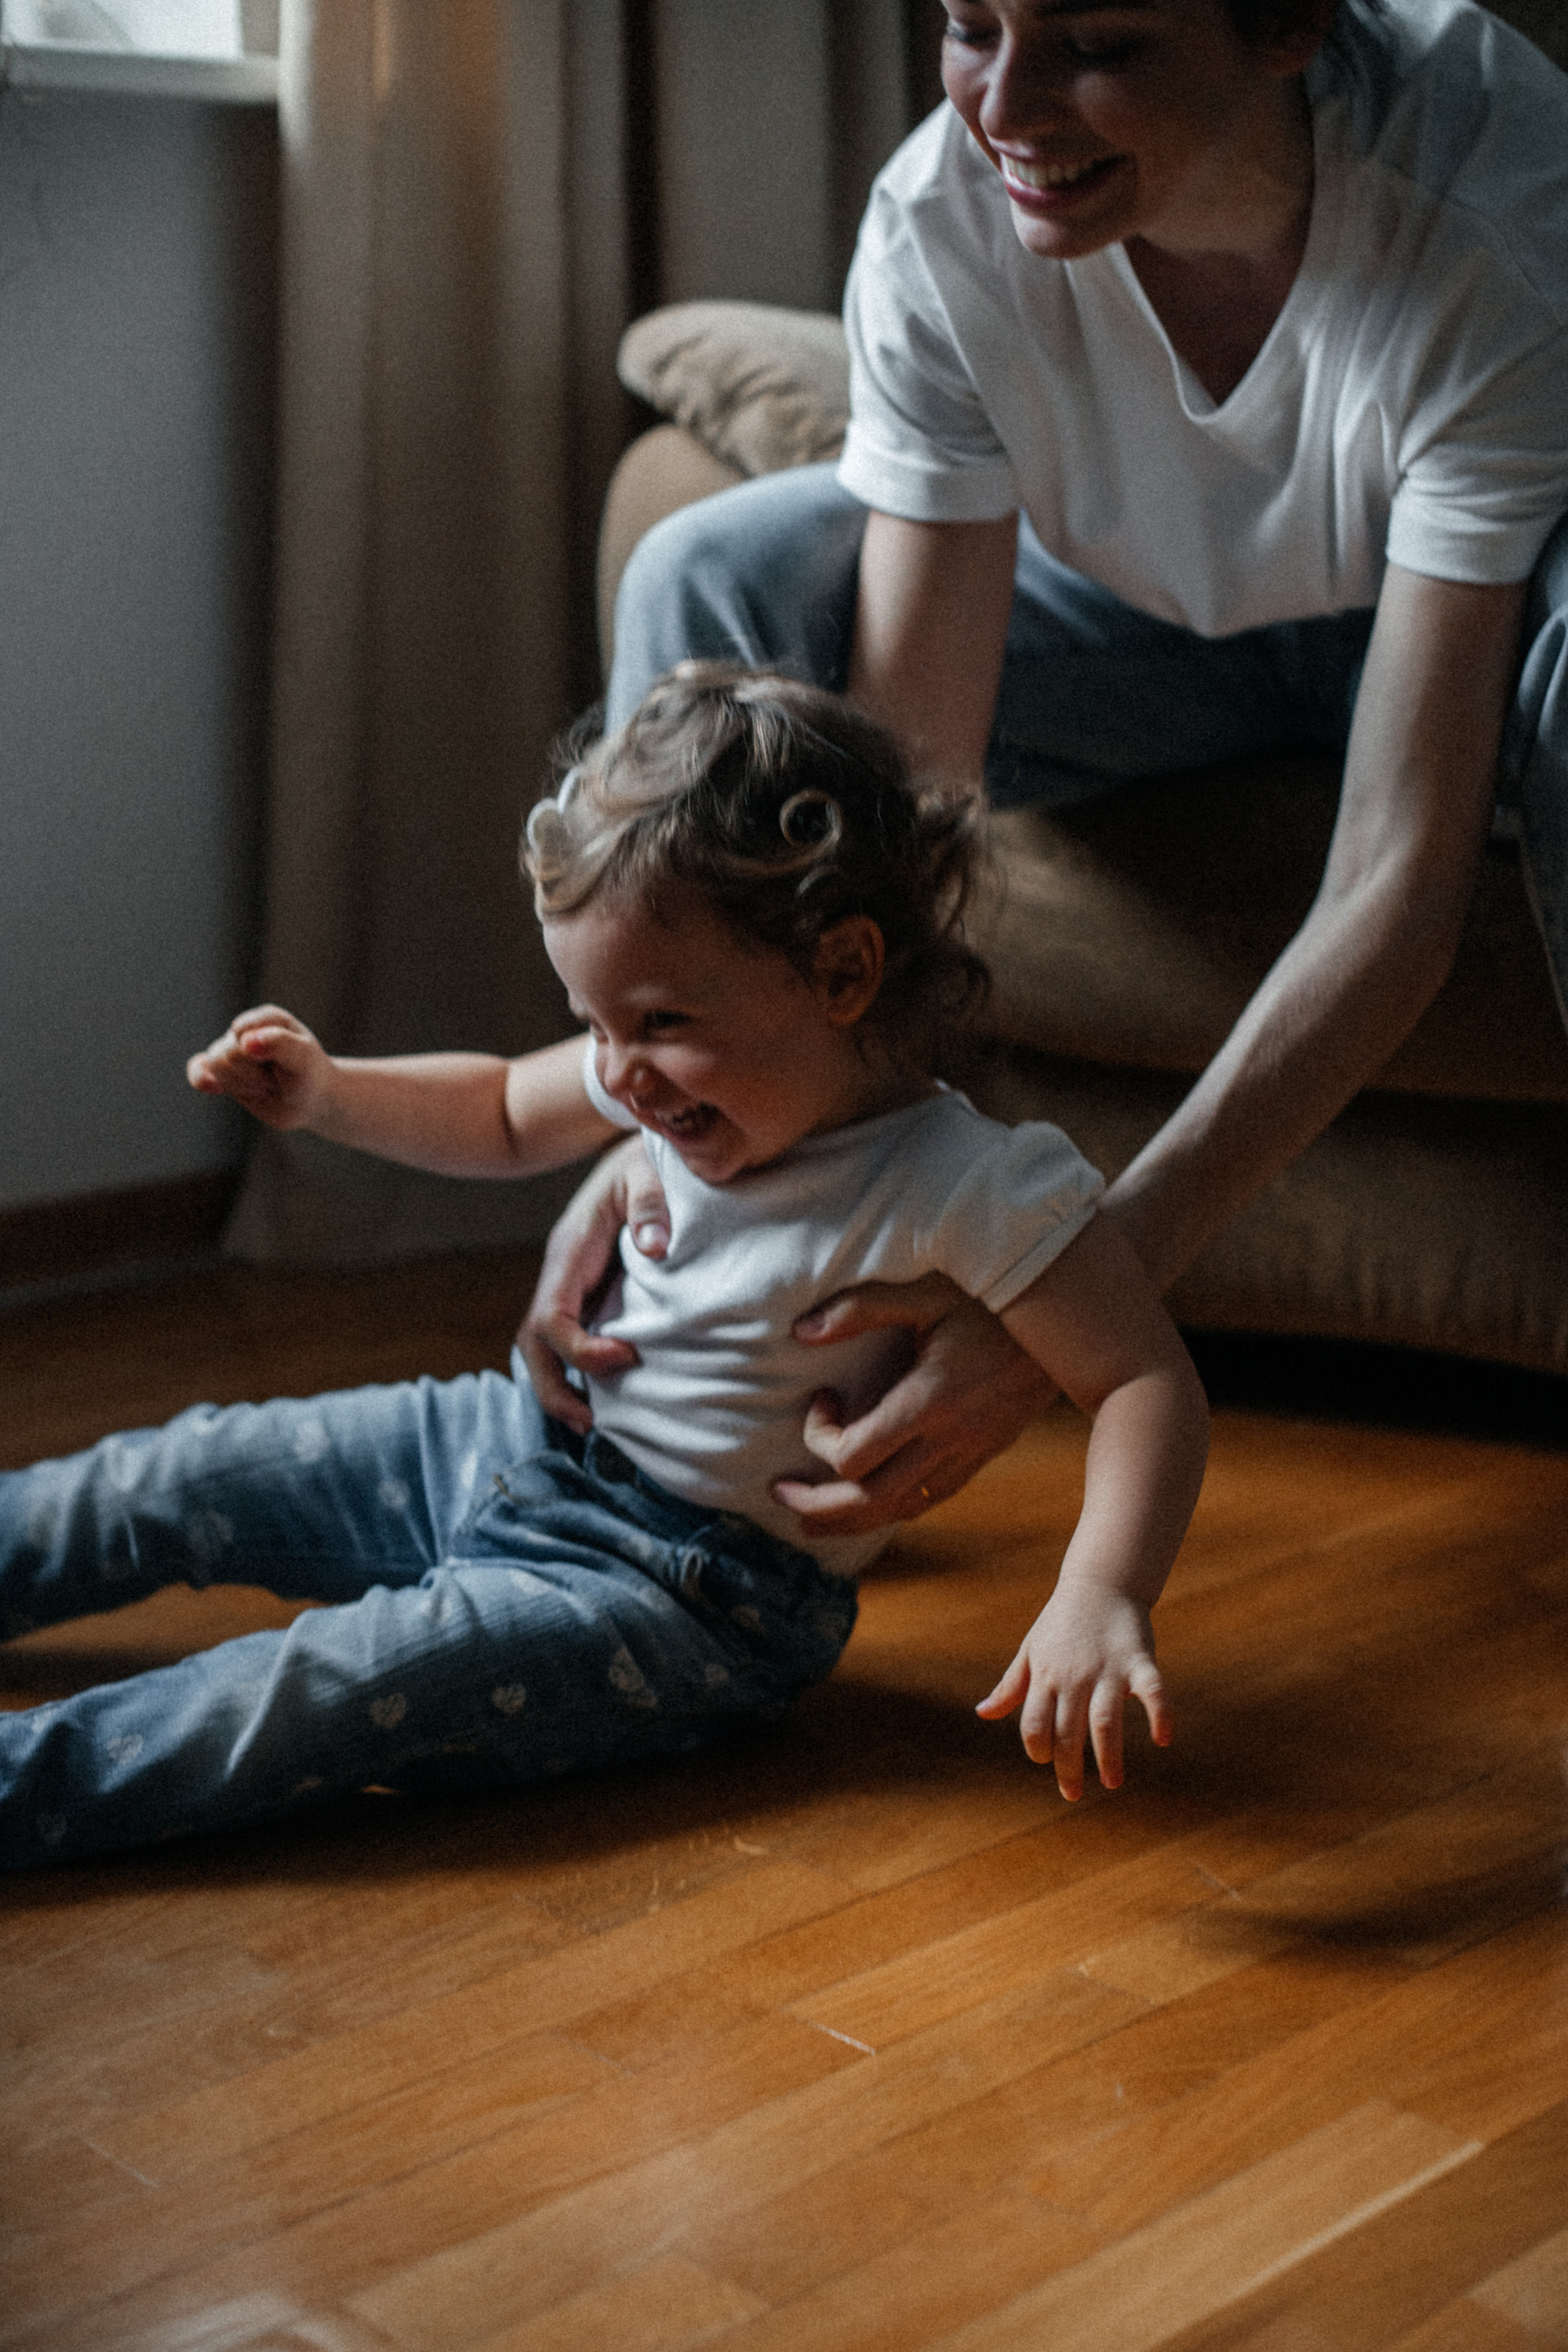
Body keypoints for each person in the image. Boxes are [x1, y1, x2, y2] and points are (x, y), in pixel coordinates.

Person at [526, 0, 1568, 1545]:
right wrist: (663, 1130)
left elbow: (1392, 877)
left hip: (1473, 631)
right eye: (966, 25)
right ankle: (729, 1290)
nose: (1003, 105)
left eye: (1096, 44)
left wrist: (1061, 1295)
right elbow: (897, 814)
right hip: (1135, 644)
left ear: (1278, 24)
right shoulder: (946, 220)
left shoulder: (1482, 216)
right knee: (709, 567)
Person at [0, 666, 1207, 1868]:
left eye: (659, 1026)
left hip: (678, 1602)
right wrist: (327, 1092)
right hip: (507, 1439)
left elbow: (1141, 1383)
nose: (617, 1072)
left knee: (318, 1687)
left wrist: (1100, 1591)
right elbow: (499, 1111)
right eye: (593, 1025)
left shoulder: (967, 1181)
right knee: (177, 1472)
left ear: (841, 973)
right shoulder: (669, 1068)